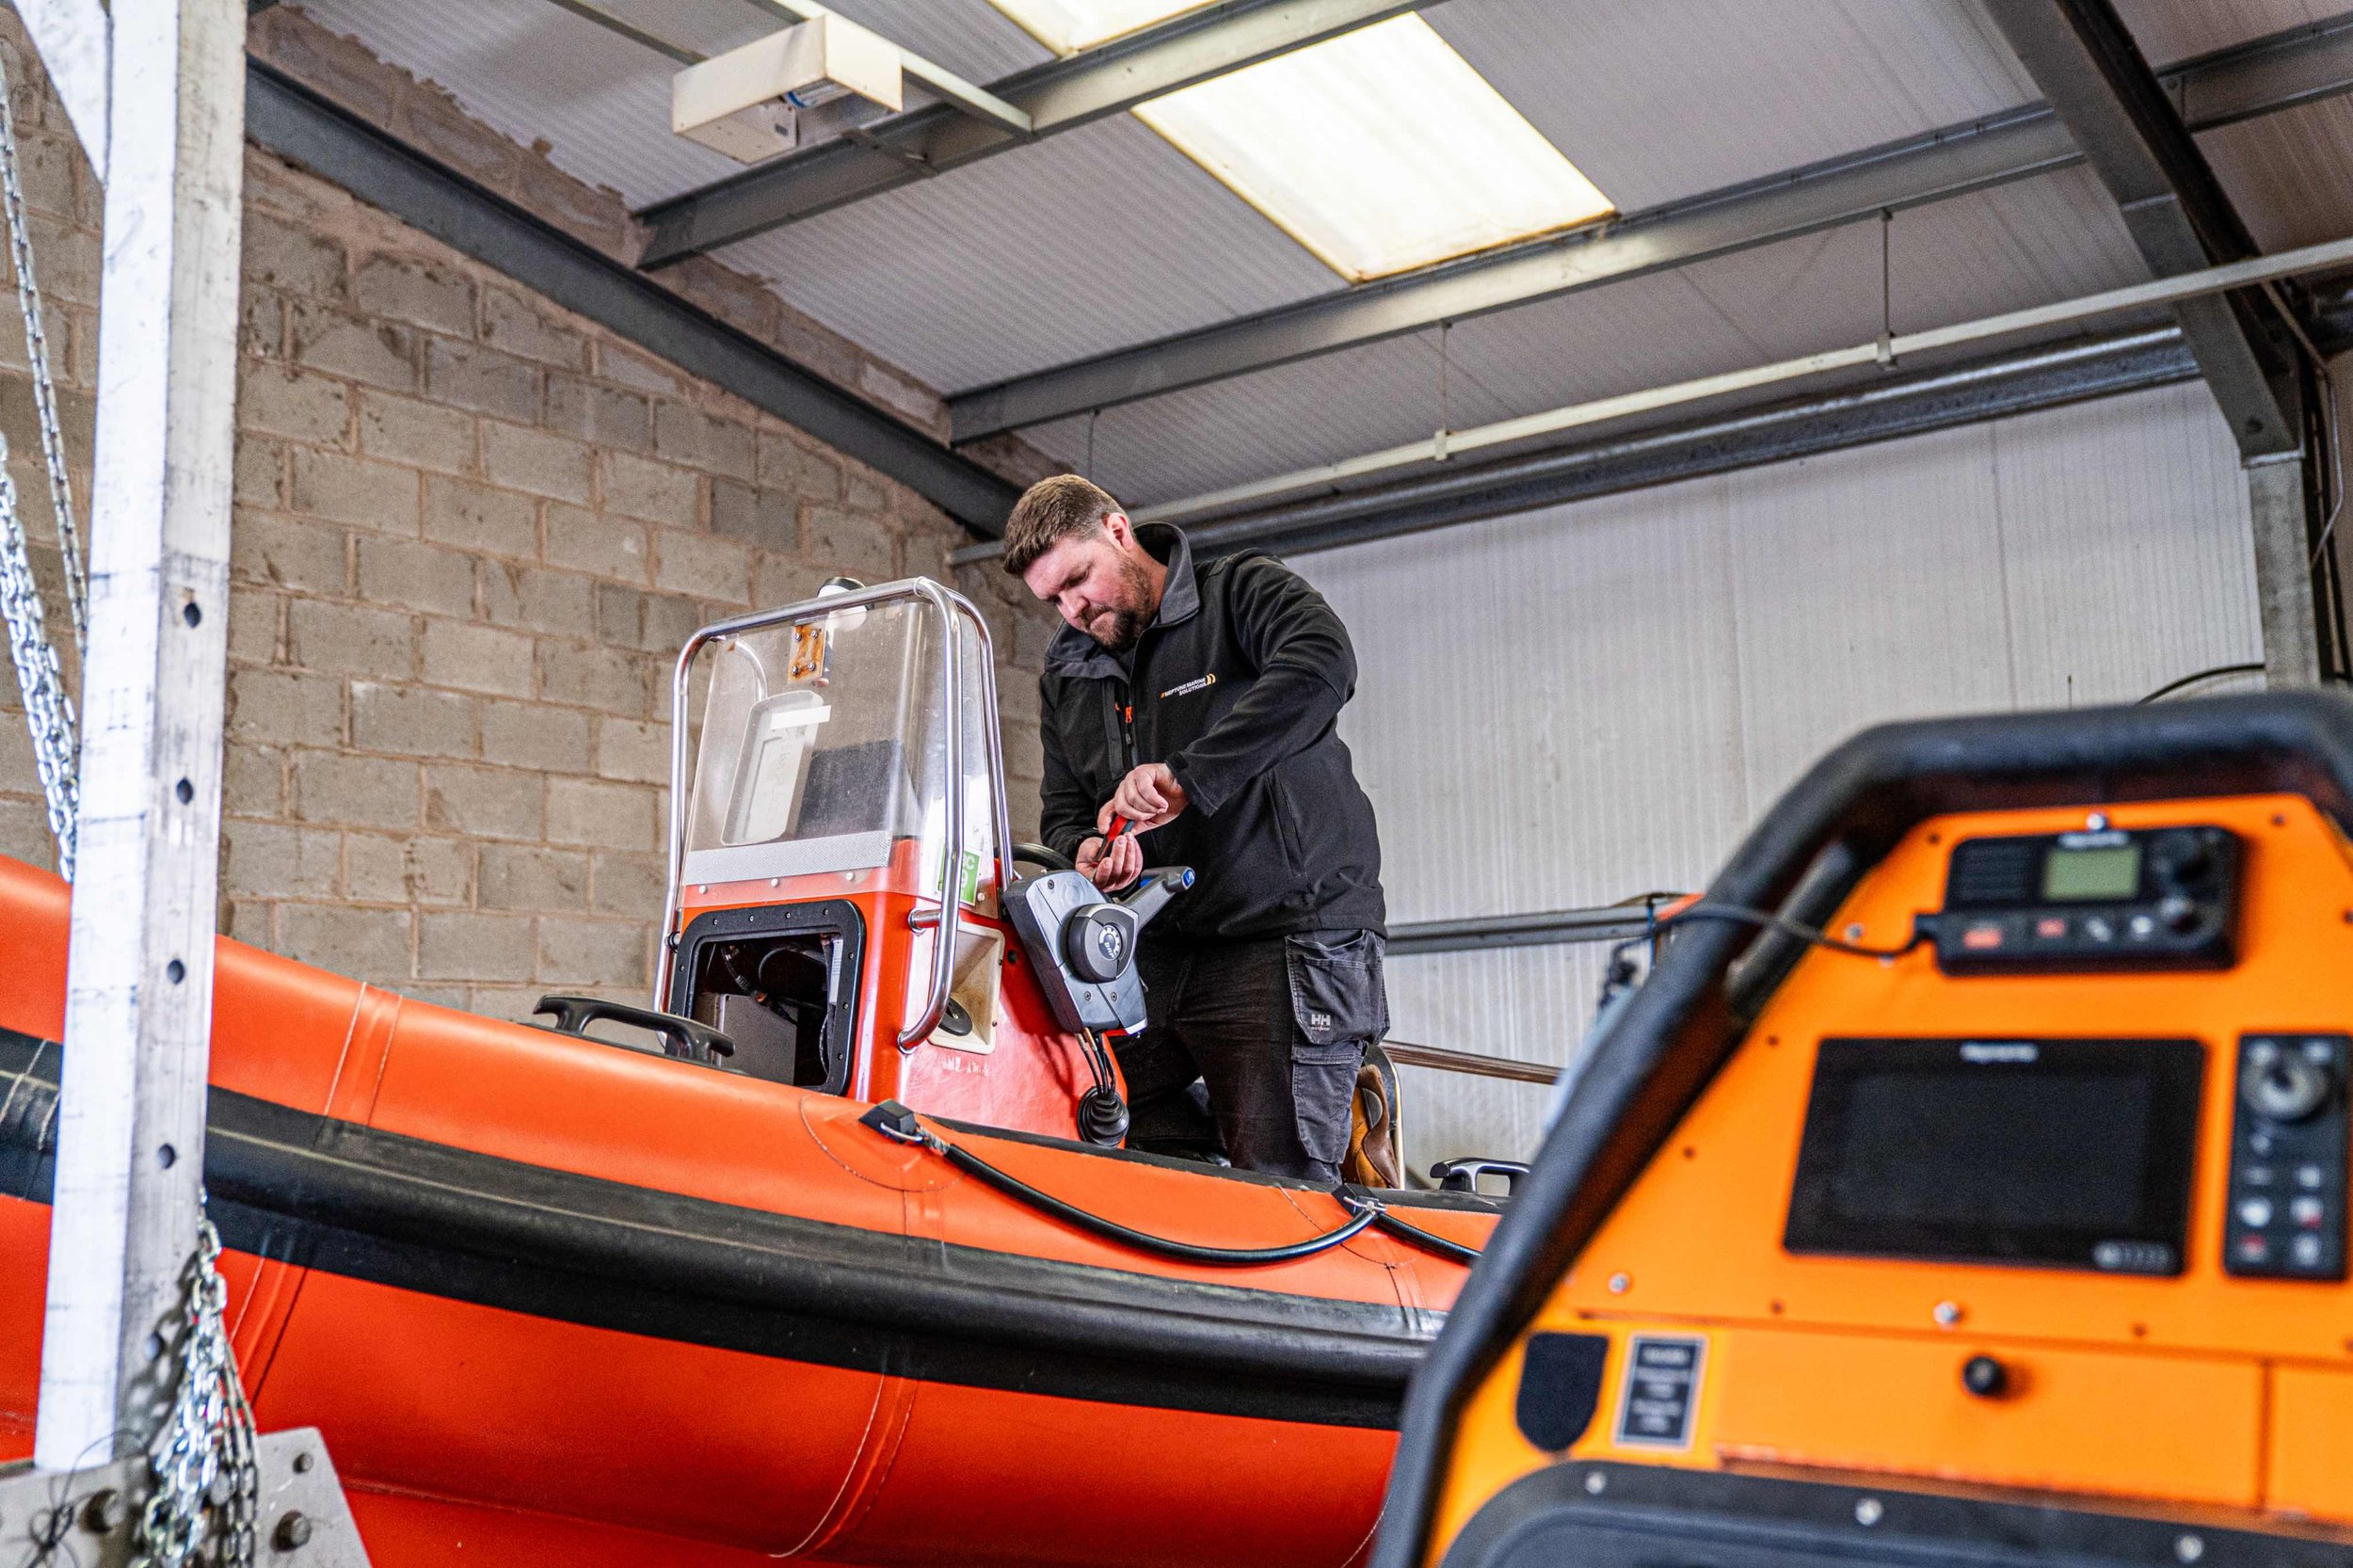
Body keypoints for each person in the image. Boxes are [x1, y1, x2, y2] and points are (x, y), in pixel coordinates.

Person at [1003, 474, 1387, 1183]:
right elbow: (1060, 814)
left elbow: (1323, 662)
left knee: (1282, 1193)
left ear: (1118, 530)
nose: (1073, 610)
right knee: (1092, 1132)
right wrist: (1083, 851)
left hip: (1283, 940)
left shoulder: (1240, 591)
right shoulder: (1068, 677)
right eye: (1053, 599)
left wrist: (1188, 778)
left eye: (1079, 581)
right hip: (1153, 951)